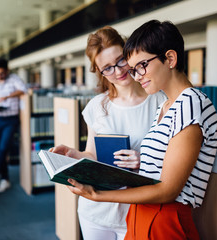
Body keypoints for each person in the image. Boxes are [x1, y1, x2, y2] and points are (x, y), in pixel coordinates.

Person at [64, 20, 217, 240]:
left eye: (141, 65)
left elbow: (168, 190)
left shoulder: (190, 103)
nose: (134, 75)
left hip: (162, 216)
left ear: (170, 59)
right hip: (141, 213)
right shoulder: (166, 106)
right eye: (134, 67)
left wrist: (98, 195)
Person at [50, 26, 166, 239]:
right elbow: (92, 155)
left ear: (129, 53)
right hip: (96, 210)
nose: (118, 71)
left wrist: (144, 160)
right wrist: (74, 154)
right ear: (99, 71)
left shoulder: (160, 101)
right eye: (107, 68)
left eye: (121, 60)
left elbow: (172, 159)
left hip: (138, 210)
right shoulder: (97, 106)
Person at [0, 58, 27, 193]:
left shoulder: (14, 78)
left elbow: (23, 89)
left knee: (3, 148)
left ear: (7, 71)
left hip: (11, 119)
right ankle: (5, 180)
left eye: (2, 73)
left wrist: (8, 96)